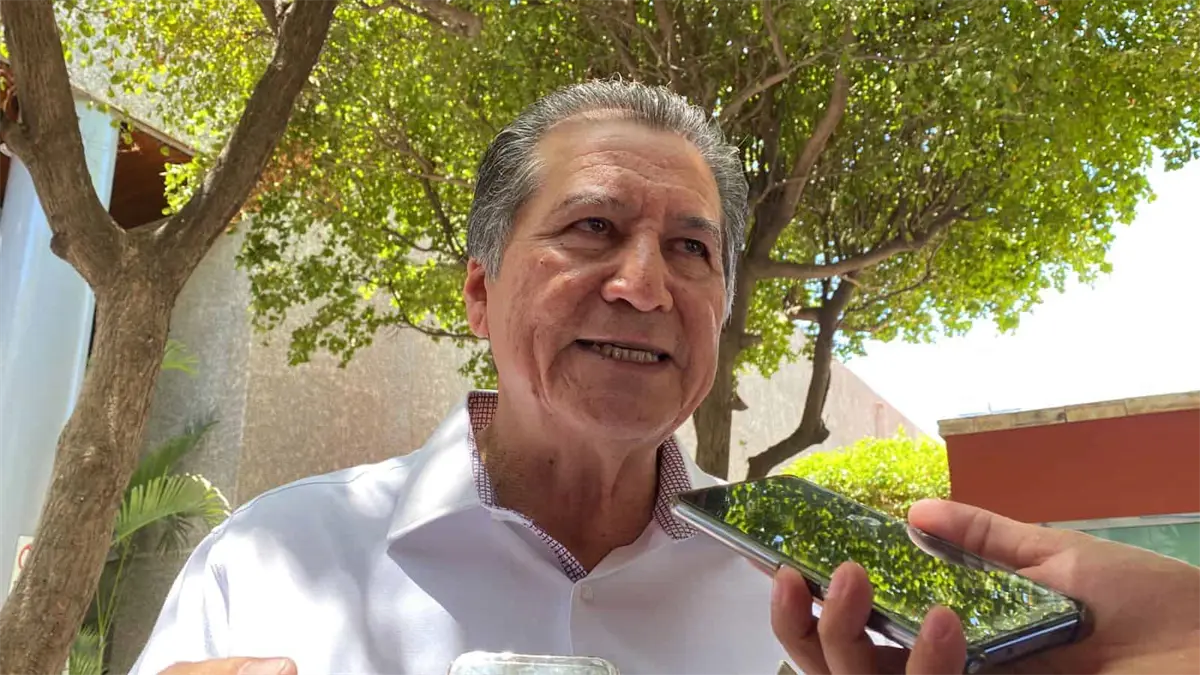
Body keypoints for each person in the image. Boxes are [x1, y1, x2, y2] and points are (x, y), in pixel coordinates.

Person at [130, 80, 1200, 675]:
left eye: (692, 249)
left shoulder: (820, 624)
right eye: (592, 228)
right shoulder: (269, 565)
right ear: (480, 293)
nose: (644, 285)